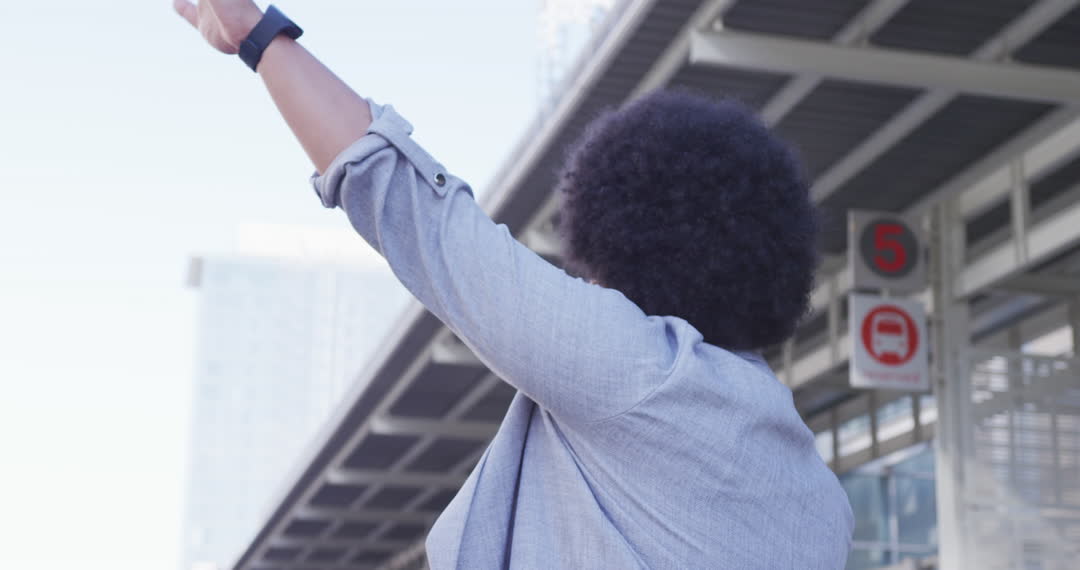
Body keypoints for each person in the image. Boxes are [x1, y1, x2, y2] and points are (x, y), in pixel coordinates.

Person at [174, 1, 854, 568]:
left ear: (617, 245)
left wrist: (256, 36)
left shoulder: (642, 372)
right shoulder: (822, 500)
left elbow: (421, 217)